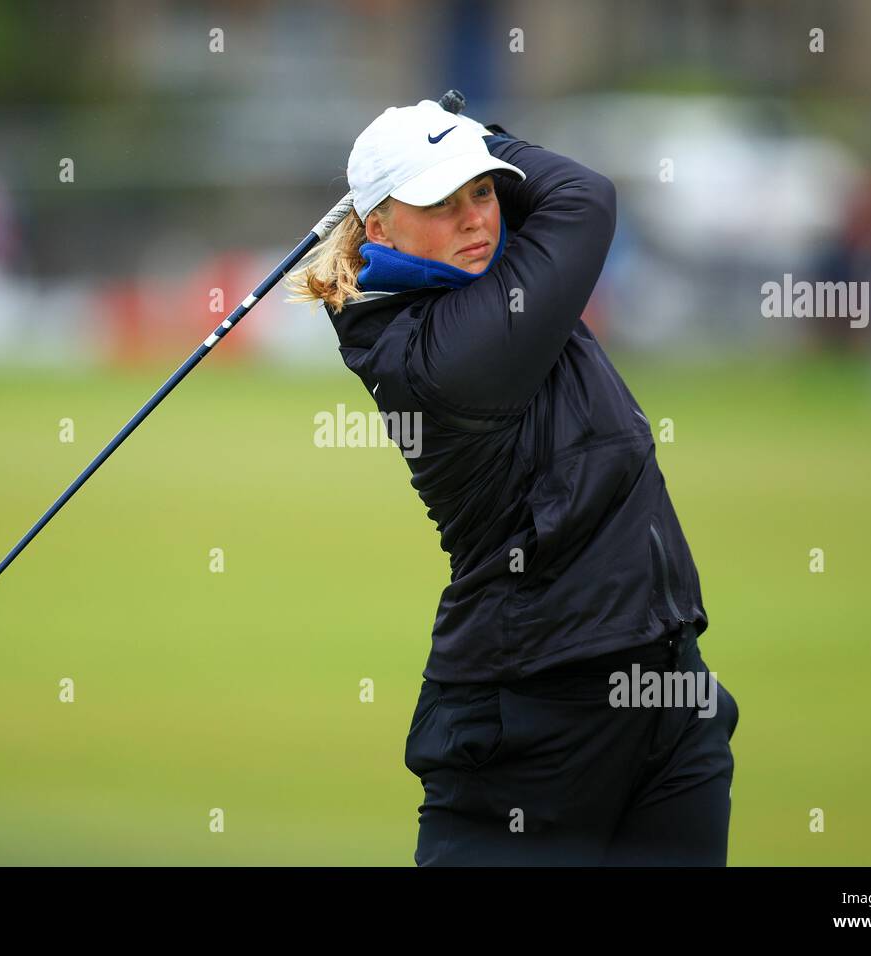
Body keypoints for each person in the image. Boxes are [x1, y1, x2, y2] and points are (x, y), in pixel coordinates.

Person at [286, 99, 739, 866]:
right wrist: (487, 139)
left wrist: (459, 151)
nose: (475, 221)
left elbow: (551, 201)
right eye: (440, 202)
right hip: (530, 717)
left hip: (666, 692)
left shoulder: (485, 279)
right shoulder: (438, 358)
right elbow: (583, 196)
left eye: (484, 191)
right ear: (381, 228)